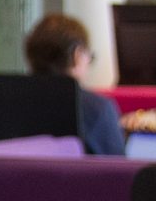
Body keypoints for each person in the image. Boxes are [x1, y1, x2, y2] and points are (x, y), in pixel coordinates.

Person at [24, 13, 123, 156]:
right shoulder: (97, 109)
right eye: (89, 56)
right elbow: (117, 165)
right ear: (77, 55)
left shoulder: (7, 102)